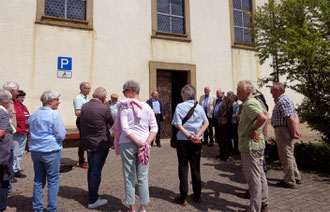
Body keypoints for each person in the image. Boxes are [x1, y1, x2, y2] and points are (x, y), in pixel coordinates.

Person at [111, 80, 158, 212]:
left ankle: (131, 208)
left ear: (130, 91)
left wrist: (138, 142)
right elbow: (154, 127)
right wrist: (146, 143)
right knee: (143, 177)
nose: (124, 94)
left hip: (127, 143)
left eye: (124, 91)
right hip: (144, 145)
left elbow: (125, 129)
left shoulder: (125, 106)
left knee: (129, 176)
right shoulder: (147, 107)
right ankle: (142, 208)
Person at [29, 90, 66, 212]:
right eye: (56, 99)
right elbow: (61, 134)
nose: (58, 102)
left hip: (36, 150)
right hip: (51, 150)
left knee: (38, 180)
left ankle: (37, 208)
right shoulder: (54, 114)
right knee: (53, 180)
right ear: (50, 101)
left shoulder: (34, 114)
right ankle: (51, 209)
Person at [172, 85, 209, 205]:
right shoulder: (199, 107)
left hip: (183, 140)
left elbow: (178, 124)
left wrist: (189, 136)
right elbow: (206, 122)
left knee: (183, 167)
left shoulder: (180, 106)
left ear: (184, 95)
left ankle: (183, 196)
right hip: (197, 142)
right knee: (195, 167)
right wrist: (197, 135)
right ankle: (197, 195)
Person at [237, 80, 269, 212]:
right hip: (257, 145)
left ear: (248, 93)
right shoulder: (255, 101)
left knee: (254, 178)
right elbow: (266, 113)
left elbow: (262, 117)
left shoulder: (250, 103)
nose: (237, 93)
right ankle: (264, 203)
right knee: (260, 175)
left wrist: (253, 130)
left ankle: (254, 209)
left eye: (239, 91)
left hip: (251, 146)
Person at [80, 87, 114, 209]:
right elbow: (112, 121)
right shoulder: (104, 109)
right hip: (100, 143)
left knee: (91, 168)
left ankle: (92, 193)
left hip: (88, 142)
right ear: (104, 97)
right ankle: (93, 199)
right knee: (96, 170)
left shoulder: (85, 106)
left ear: (94, 95)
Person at [270, 82, 302, 189]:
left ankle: (289, 180)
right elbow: (294, 115)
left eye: (272, 90)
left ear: (278, 91)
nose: (271, 92)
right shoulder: (284, 100)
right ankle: (296, 177)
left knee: (285, 155)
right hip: (284, 129)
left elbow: (289, 118)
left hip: (283, 130)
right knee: (289, 154)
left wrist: (294, 132)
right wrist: (294, 131)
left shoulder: (282, 101)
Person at [2, 81, 23, 196]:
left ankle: (8, 186)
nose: (18, 92)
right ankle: (7, 188)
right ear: (11, 91)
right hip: (6, 140)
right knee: (7, 165)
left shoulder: (10, 103)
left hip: (9, 138)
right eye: (17, 90)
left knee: (9, 164)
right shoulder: (6, 104)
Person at [0, 89, 16, 212]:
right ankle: (2, 207)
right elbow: (1, 133)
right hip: (3, 151)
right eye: (10, 101)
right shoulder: (3, 113)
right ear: (5, 102)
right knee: (3, 179)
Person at [73, 81, 91, 169]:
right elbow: (77, 112)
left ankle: (88, 159)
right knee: (83, 141)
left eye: (89, 88)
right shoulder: (78, 99)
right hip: (81, 121)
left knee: (86, 140)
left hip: (86, 121)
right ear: (82, 89)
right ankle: (81, 161)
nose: (89, 90)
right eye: (88, 88)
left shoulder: (85, 98)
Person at [12, 90, 30, 178]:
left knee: (20, 152)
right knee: (15, 152)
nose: (22, 99)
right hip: (17, 133)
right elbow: (12, 121)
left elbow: (27, 117)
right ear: (16, 97)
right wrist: (17, 129)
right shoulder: (13, 107)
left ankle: (17, 168)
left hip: (24, 132)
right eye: (20, 97)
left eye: (23, 97)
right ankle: (12, 169)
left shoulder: (23, 107)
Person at [213, 89, 233, 161]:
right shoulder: (217, 100)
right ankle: (221, 153)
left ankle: (226, 155)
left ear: (222, 93)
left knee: (225, 140)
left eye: (218, 93)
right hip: (217, 122)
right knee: (219, 139)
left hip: (224, 123)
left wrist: (226, 122)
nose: (216, 94)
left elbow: (230, 112)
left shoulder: (228, 100)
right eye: (216, 93)